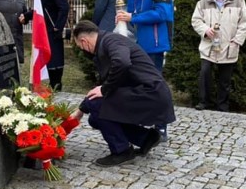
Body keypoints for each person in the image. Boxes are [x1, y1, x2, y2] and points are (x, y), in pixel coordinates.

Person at [71, 20, 176, 166]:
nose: (82, 50)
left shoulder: (111, 41)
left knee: (97, 106)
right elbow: (103, 83)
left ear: (83, 41)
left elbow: (122, 63)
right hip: (142, 92)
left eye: (79, 46)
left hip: (150, 93)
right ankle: (146, 138)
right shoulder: (105, 42)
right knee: (94, 118)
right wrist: (81, 109)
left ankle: (122, 151)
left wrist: (103, 90)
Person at [116, 0, 174, 141]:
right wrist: (125, 16)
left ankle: (161, 126)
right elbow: (133, 10)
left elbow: (164, 13)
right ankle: (144, 121)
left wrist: (133, 16)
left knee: (155, 84)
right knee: (140, 84)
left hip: (155, 43)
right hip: (139, 42)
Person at [191, 0, 246, 112]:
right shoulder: (203, 2)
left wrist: (237, 41)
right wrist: (205, 30)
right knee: (205, 74)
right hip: (208, 46)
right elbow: (195, 20)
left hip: (229, 46)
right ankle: (204, 102)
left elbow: (244, 22)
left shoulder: (238, 0)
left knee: (225, 79)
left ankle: (222, 105)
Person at [35, 0, 70, 91]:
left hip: (53, 31)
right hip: (46, 30)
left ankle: (56, 85)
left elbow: (64, 7)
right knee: (50, 59)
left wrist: (57, 26)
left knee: (55, 58)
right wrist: (26, 16)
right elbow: (40, 9)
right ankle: (53, 85)